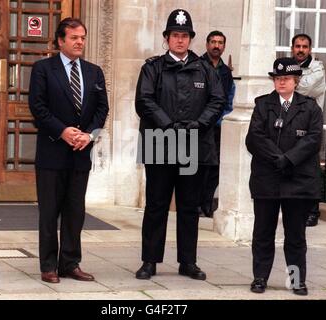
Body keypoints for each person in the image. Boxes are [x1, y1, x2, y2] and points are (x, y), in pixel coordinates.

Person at [135, 9, 225, 281]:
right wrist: (168, 125)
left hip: (192, 144)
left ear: (190, 39)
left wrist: (199, 124)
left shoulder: (205, 69)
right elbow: (144, 101)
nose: (180, 40)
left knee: (188, 206)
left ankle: (188, 261)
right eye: (175, 35)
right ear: (166, 38)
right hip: (159, 142)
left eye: (184, 36)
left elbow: (217, 101)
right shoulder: (152, 68)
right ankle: (149, 261)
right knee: (156, 204)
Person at [28, 18, 109, 283]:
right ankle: (48, 265)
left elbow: (102, 109)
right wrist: (62, 131)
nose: (80, 42)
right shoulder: (43, 69)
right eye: (74, 37)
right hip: (52, 153)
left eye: (83, 37)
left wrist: (90, 135)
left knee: (76, 212)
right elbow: (38, 108)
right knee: (50, 212)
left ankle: (70, 263)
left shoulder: (94, 71)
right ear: (60, 40)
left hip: (80, 152)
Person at [246, 57, 323, 296]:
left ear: (296, 81)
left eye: (286, 79)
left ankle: (296, 280)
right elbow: (254, 138)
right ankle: (260, 278)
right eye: (277, 78)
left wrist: (288, 159)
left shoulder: (310, 108)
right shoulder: (262, 105)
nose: (281, 82)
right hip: (267, 178)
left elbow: (313, 140)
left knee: (295, 236)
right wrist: (277, 158)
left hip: (297, 181)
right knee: (263, 234)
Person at [199, 30, 235, 217]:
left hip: (219, 127)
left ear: (224, 46)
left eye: (220, 42)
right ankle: (196, 204)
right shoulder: (197, 65)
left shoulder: (226, 72)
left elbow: (229, 99)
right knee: (199, 166)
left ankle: (206, 203)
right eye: (213, 41)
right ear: (207, 44)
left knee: (215, 167)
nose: (216, 45)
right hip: (201, 126)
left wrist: (223, 120)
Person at [291, 33, 326, 227]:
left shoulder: (317, 68)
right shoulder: (290, 64)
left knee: (310, 169)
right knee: (294, 167)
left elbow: (306, 88)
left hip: (311, 126)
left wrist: (291, 80)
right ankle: (297, 209)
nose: (301, 50)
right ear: (292, 48)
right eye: (297, 46)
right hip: (292, 123)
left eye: (304, 46)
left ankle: (313, 211)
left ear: (310, 49)